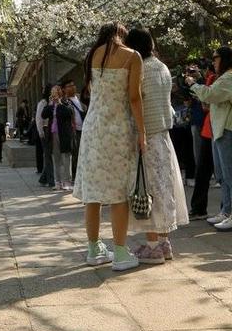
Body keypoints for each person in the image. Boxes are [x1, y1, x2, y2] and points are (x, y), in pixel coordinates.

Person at [73, 22, 145, 271]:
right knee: (118, 194)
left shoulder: (93, 54)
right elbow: (134, 97)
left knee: (92, 194)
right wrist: (142, 132)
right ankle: (121, 253)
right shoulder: (132, 56)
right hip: (118, 128)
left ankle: (94, 249)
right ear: (122, 35)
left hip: (93, 127)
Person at [124, 28, 188, 262]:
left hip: (147, 135)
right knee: (164, 189)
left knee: (148, 188)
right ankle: (164, 242)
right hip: (163, 134)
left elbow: (135, 99)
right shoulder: (162, 66)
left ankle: (152, 246)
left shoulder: (141, 68)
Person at [185, 45, 232, 231]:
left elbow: (210, 94)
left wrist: (193, 84)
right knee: (222, 175)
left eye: (216, 57)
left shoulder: (229, 77)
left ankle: (229, 212)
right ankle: (226, 211)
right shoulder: (224, 77)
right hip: (219, 129)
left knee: (229, 174)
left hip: (226, 130)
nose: (213, 61)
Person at [41, 85, 75, 191]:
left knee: (65, 158)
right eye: (52, 92)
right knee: (56, 159)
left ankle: (67, 182)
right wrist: (51, 104)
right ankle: (58, 182)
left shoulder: (66, 102)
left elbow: (69, 113)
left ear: (60, 93)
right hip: (53, 134)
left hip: (64, 134)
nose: (53, 94)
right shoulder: (51, 105)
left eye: (55, 92)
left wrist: (59, 103)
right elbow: (43, 115)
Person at [62, 79, 85, 179]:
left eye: (73, 85)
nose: (73, 87)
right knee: (76, 153)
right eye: (69, 86)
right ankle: (75, 176)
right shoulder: (64, 101)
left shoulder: (80, 98)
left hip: (84, 129)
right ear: (64, 89)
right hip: (74, 131)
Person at [36, 84, 55, 187]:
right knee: (48, 156)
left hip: (53, 131)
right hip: (45, 131)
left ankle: (43, 178)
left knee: (49, 156)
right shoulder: (42, 103)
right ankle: (51, 180)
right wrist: (41, 133)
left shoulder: (55, 101)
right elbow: (39, 119)